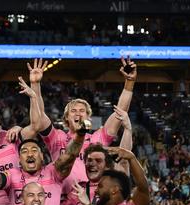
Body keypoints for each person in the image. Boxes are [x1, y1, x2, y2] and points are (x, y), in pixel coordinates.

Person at [23, 57, 137, 188]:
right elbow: (39, 117)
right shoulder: (57, 137)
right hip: (62, 199)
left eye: (82, 111)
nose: (78, 113)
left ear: (88, 117)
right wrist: (35, 84)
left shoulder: (98, 139)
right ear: (66, 118)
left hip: (91, 198)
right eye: (73, 111)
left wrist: (129, 82)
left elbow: (120, 112)